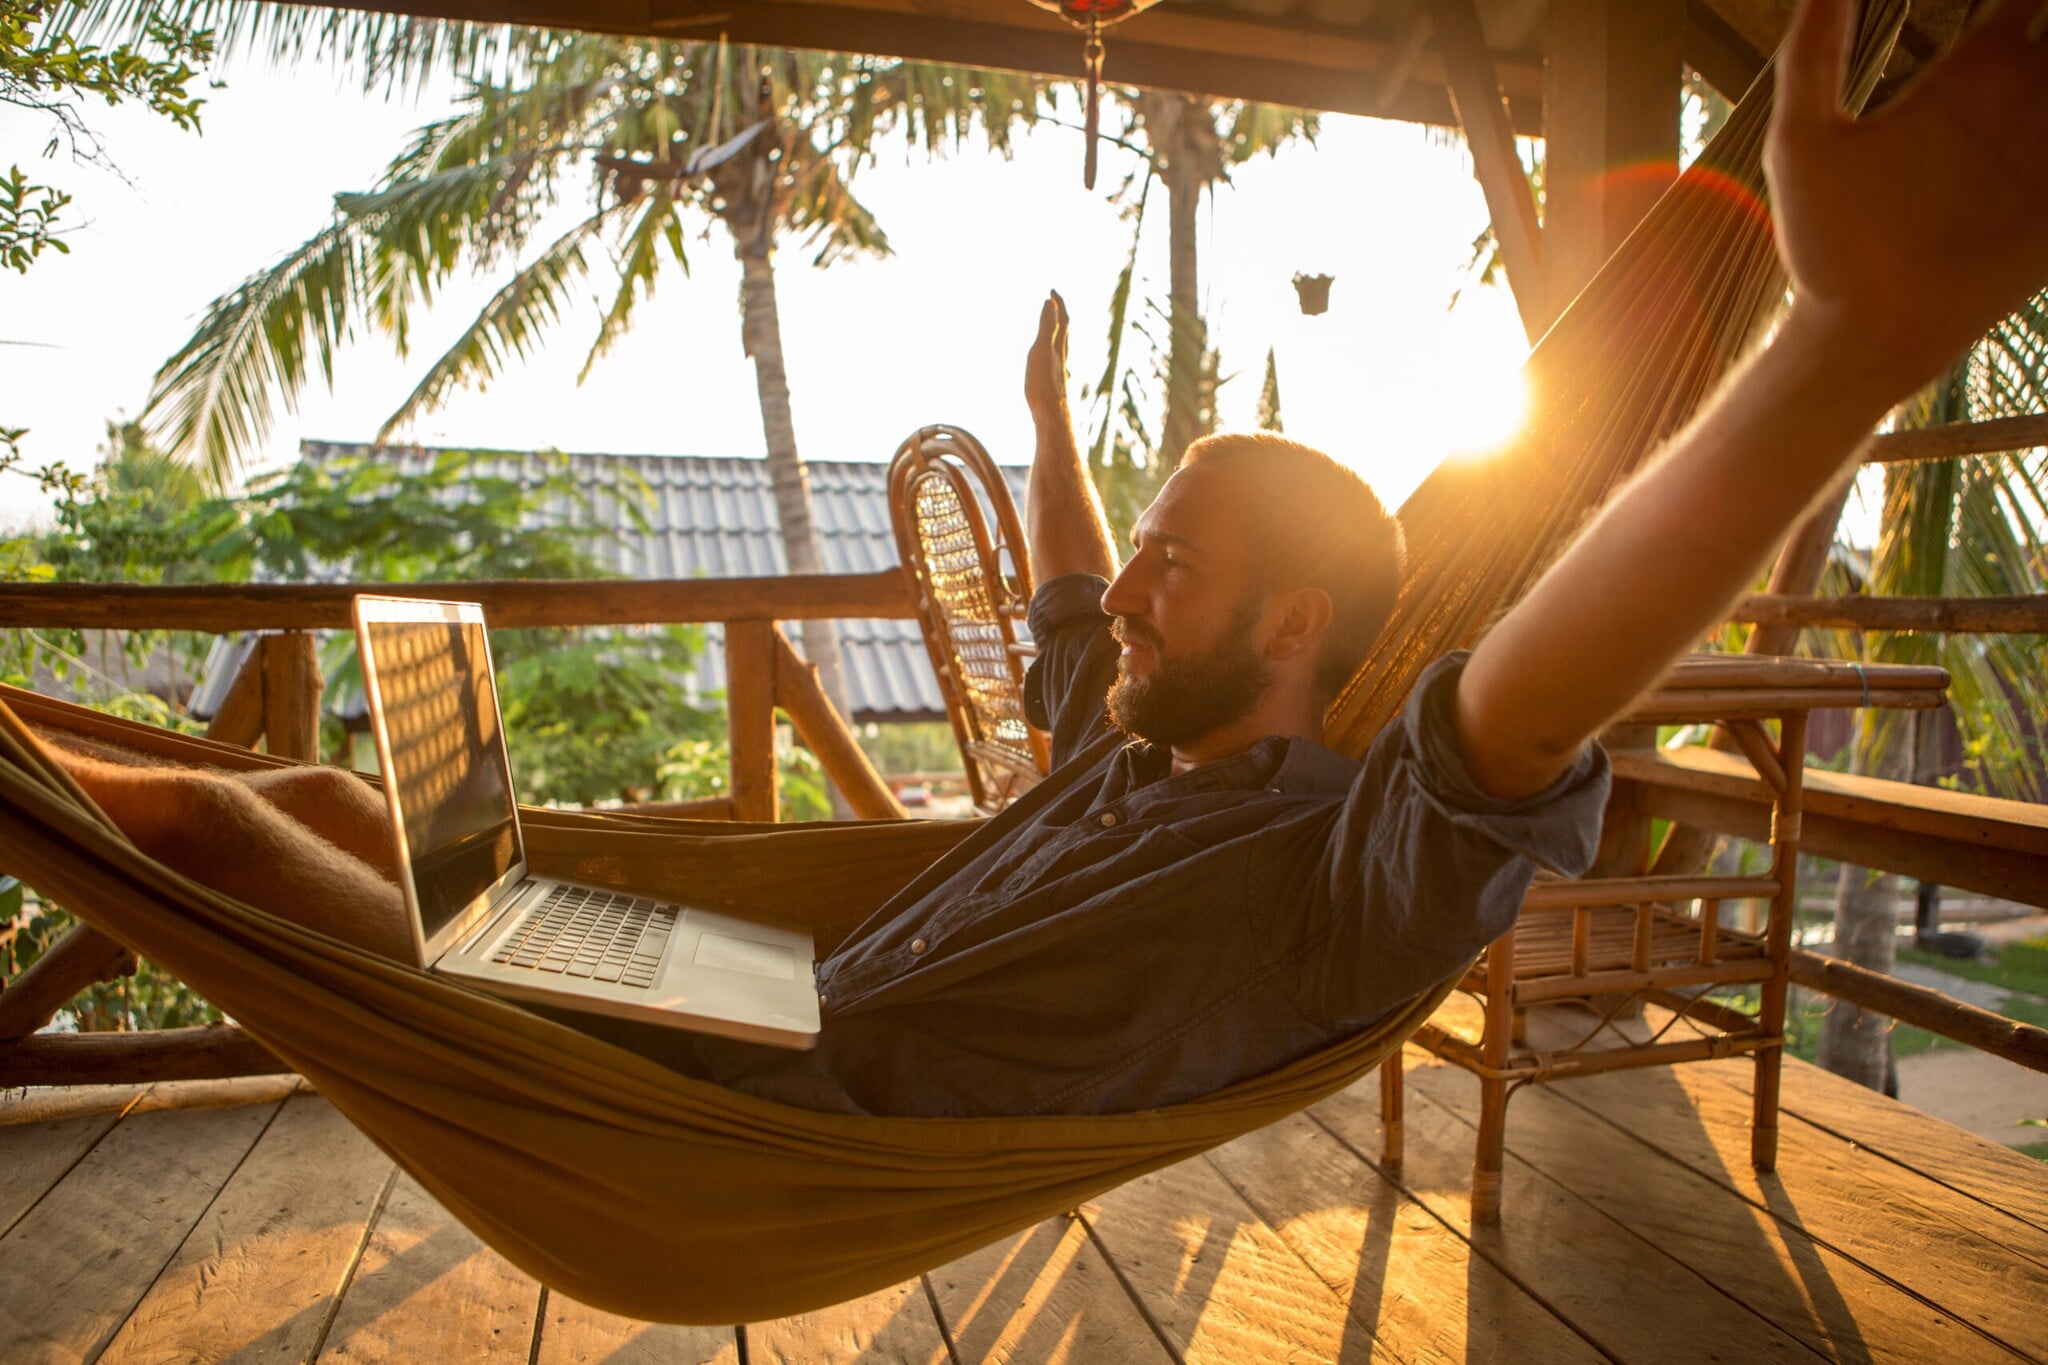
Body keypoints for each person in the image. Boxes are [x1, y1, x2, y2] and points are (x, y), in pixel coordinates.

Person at [51, 0, 2048, 1113]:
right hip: (765, 988)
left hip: (769, 1111)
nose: (1120, 597)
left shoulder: (1335, 862)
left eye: (1183, 562)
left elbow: (1529, 685)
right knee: (321, 787)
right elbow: (1088, 587)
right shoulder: (1133, 731)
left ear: (1287, 623)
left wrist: (1844, 345)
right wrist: (1044, 410)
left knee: (233, 840)